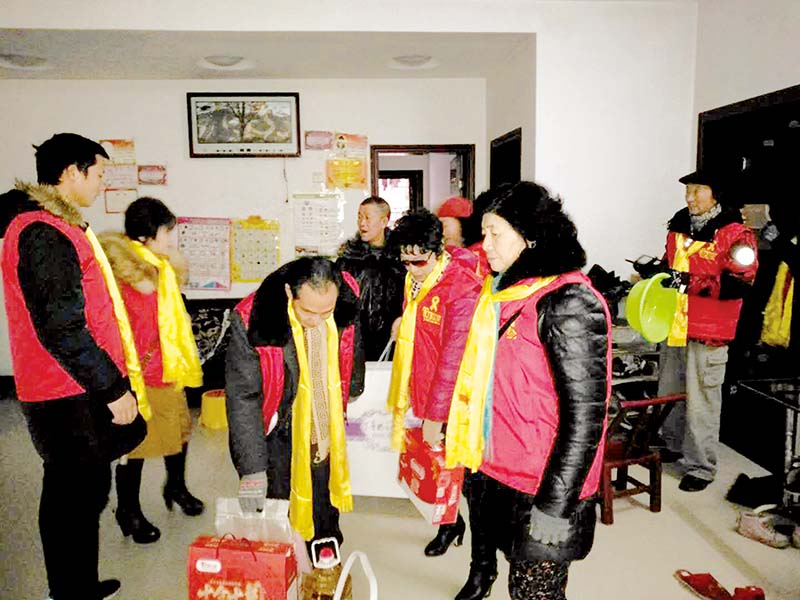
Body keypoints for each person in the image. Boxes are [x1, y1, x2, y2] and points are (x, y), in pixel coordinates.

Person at [446, 181, 610, 600]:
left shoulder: (569, 301)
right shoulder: (505, 291)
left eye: (495, 233)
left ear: (530, 235)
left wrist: (556, 505)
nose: (485, 245)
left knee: (533, 593)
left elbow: (586, 418)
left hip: (541, 481)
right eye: (483, 233)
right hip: (496, 467)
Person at [0, 133, 148, 599]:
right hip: (64, 390)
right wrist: (113, 389)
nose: (102, 184)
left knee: (84, 492)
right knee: (72, 497)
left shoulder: (56, 226)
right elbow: (62, 328)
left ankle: (78, 584)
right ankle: (68, 591)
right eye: (99, 174)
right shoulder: (42, 233)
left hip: (73, 386)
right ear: (71, 173)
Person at [225, 257, 365, 558]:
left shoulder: (343, 299)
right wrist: (252, 469)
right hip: (280, 424)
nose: (318, 320)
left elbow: (351, 340)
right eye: (309, 312)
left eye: (326, 312)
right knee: (281, 496)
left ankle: (325, 551)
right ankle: (288, 562)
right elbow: (244, 397)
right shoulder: (254, 319)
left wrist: (353, 385)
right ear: (290, 293)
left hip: (324, 419)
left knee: (324, 492)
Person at [98, 197, 205, 545]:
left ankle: (176, 487)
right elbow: (119, 329)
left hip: (169, 367)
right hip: (138, 374)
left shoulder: (161, 268)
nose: (171, 239)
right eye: (166, 232)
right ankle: (128, 510)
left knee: (178, 432)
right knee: (136, 446)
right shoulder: (123, 273)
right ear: (146, 235)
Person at [385, 209, 482, 558]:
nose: (411, 268)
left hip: (456, 399)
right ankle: (450, 523)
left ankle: (481, 558)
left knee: (467, 477)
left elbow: (453, 360)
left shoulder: (462, 289)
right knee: (440, 468)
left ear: (437, 250)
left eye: (418, 261)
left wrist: (435, 417)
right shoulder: (416, 278)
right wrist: (403, 321)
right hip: (422, 385)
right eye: (405, 261)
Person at [657, 170, 758, 492]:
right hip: (674, 324)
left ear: (717, 195)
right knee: (669, 392)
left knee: (702, 400)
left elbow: (740, 283)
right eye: (687, 190)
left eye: (697, 190)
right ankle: (671, 444)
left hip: (710, 330)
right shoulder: (677, 228)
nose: (689, 197)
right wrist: (656, 273)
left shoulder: (737, 234)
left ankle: (701, 466)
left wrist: (688, 283)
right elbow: (670, 267)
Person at [337, 196, 405, 360]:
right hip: (356, 341)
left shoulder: (401, 258)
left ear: (384, 221)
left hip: (394, 339)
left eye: (367, 218)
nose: (362, 223)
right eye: (359, 217)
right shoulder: (348, 259)